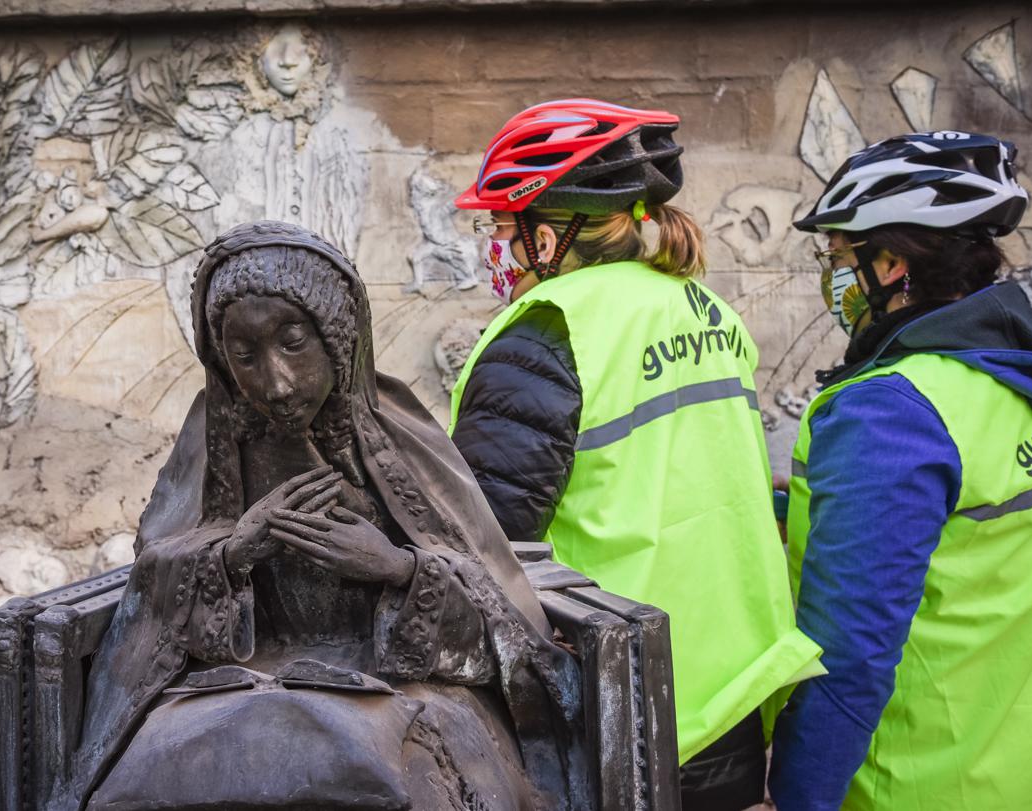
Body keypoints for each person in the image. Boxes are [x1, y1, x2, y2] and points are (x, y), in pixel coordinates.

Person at [52, 221, 592, 810]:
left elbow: (500, 615)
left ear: (338, 339)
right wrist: (232, 554)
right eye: (245, 357)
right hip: (233, 686)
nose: (276, 385)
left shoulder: (396, 438)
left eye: (292, 344)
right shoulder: (213, 442)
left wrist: (397, 570)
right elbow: (150, 593)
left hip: (402, 686)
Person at [448, 98, 822, 810]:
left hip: (614, 707)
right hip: (727, 695)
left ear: (553, 230)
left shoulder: (547, 334)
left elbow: (481, 541)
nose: (495, 244)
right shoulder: (705, 310)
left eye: (502, 224)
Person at [768, 132, 1032, 810]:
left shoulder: (889, 413)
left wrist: (800, 794)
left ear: (889, 263)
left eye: (837, 256)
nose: (831, 276)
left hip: (918, 786)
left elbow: (848, 659)